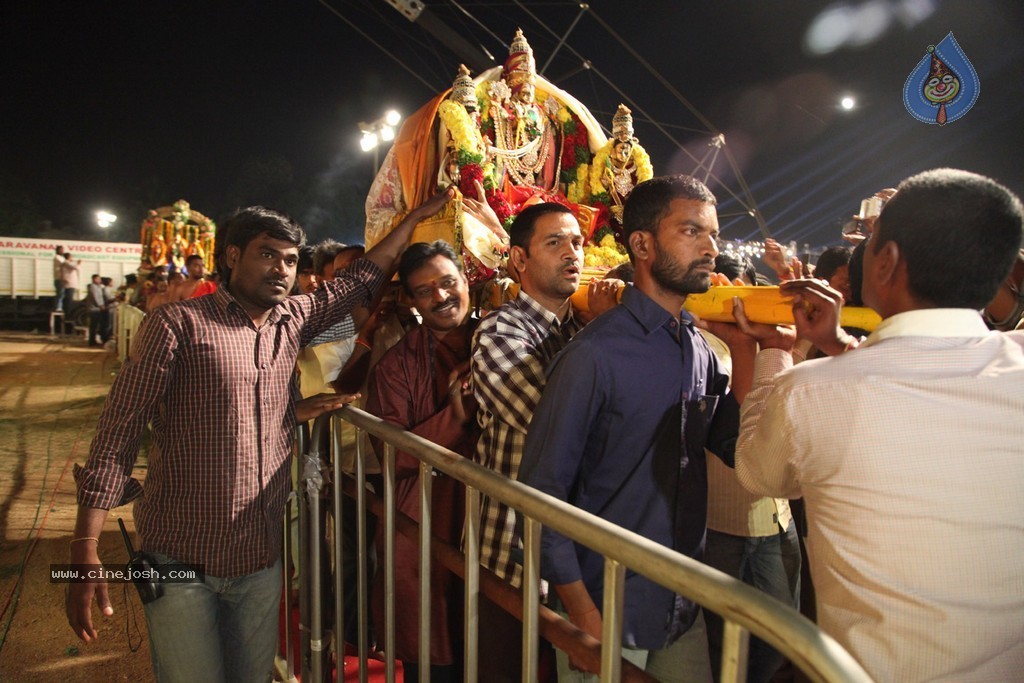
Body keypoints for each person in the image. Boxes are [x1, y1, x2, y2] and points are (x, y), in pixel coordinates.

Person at [66, 191, 451, 683]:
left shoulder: (290, 323)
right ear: (232, 257)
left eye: (290, 260)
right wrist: (85, 548)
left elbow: (362, 278)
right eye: (267, 254)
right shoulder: (178, 326)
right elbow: (117, 434)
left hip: (259, 560)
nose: (281, 270)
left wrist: (415, 218)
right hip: (178, 560)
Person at [732, 168, 1024, 681]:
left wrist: (774, 353)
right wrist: (840, 345)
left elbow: (758, 475)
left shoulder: (812, 392)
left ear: (885, 262)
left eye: (869, 242)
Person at [519, 175, 749, 682]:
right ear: (642, 244)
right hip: (607, 605)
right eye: (692, 231)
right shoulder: (594, 355)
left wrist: (752, 348)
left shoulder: (697, 347)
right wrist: (583, 614)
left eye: (714, 233)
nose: (711, 248)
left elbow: (732, 444)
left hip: (680, 600)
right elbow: (540, 498)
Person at [471, 202, 608, 680]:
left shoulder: (582, 328)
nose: (573, 253)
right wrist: (610, 334)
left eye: (578, 242)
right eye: (555, 242)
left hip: (578, 553)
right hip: (514, 551)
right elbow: (560, 427)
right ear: (518, 260)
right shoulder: (499, 331)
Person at [366, 240, 480, 683]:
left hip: (490, 521)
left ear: (467, 281)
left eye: (448, 282)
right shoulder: (396, 366)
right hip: (426, 520)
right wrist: (454, 414)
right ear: (412, 301)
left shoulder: (498, 342)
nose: (441, 297)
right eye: (425, 290)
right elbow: (391, 455)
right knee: (435, 657)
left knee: (494, 646)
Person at [85, 274, 109, 347]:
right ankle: (92, 342)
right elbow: (96, 297)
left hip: (96, 309)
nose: (100, 280)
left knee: (95, 326)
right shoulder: (93, 287)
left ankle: (93, 341)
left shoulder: (98, 287)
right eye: (98, 279)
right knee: (93, 326)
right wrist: (101, 306)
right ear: (94, 279)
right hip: (94, 309)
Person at [53, 245, 66, 311]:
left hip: (62, 278)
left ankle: (60, 306)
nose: (62, 251)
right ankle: (58, 307)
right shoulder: (57, 257)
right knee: (60, 293)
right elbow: (64, 264)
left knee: (62, 294)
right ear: (57, 250)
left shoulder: (62, 258)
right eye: (61, 250)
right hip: (59, 278)